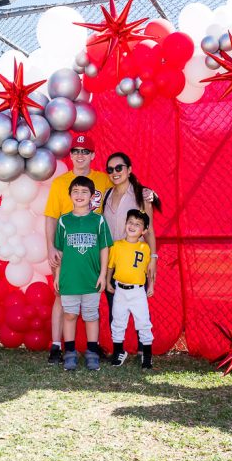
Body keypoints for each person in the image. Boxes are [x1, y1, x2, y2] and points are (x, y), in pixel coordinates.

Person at [44, 133, 111, 364]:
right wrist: (51, 247)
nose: (80, 155)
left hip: (93, 250)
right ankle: (56, 346)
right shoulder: (60, 182)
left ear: (92, 155)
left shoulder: (103, 180)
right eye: (75, 151)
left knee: (94, 297)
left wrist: (146, 194)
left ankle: (94, 347)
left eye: (85, 151)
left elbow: (124, 190)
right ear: (70, 155)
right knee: (61, 294)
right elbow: (51, 217)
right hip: (67, 249)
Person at [101, 151, 162, 364]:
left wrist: (153, 256)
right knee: (115, 307)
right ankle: (119, 350)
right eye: (110, 169)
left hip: (135, 262)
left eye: (119, 168)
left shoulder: (141, 194)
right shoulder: (107, 195)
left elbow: (150, 229)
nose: (115, 172)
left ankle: (143, 351)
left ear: (129, 169)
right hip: (113, 260)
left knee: (139, 309)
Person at [53, 176, 113, 371]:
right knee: (69, 315)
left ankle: (92, 352)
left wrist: (103, 275)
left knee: (91, 316)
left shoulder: (99, 220)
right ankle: (69, 352)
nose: (80, 195)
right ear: (70, 195)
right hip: (69, 279)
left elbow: (105, 248)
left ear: (92, 196)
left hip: (91, 279)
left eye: (84, 192)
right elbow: (60, 252)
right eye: (76, 191)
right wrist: (57, 276)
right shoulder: (64, 221)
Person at [106, 209, 155, 369]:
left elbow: (149, 270)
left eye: (138, 224)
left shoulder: (145, 248)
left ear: (144, 230)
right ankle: (119, 352)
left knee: (143, 322)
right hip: (120, 290)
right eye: (130, 222)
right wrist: (108, 282)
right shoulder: (117, 246)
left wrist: (151, 285)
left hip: (137, 292)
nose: (133, 226)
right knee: (118, 322)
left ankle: (147, 355)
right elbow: (110, 266)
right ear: (125, 224)